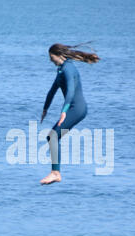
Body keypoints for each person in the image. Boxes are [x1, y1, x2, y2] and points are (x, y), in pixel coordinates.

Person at [40, 42, 100, 185]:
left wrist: (64, 111)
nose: (50, 60)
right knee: (52, 137)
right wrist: (45, 109)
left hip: (76, 109)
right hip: (73, 109)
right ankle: (55, 172)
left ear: (59, 55)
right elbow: (52, 91)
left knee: (53, 136)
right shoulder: (61, 69)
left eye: (51, 57)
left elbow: (71, 91)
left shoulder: (69, 69)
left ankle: (55, 173)